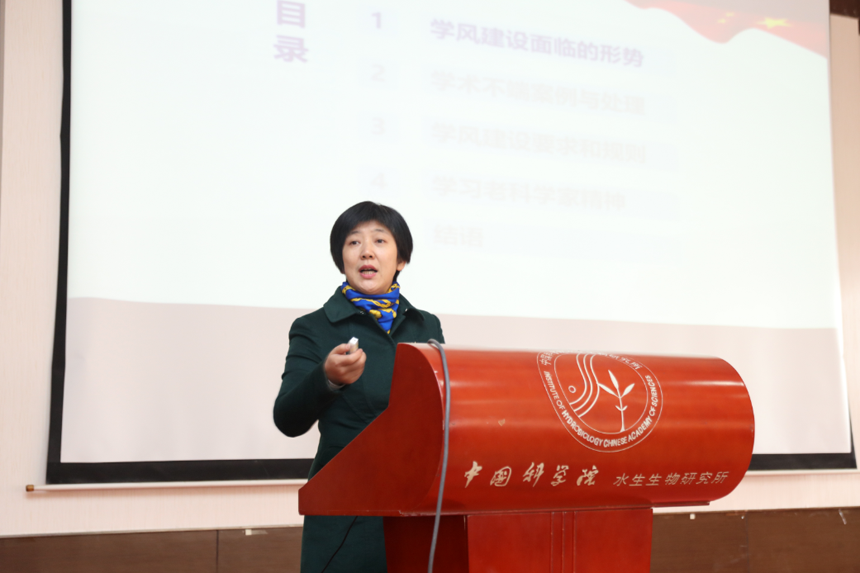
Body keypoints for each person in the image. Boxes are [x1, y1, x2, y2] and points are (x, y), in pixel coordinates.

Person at [273, 201, 444, 573]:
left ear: (401, 259)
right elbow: (287, 418)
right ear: (342, 260)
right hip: (346, 516)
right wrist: (328, 377)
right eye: (353, 242)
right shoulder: (314, 327)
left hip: (417, 510)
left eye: (380, 241)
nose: (366, 251)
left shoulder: (426, 325)